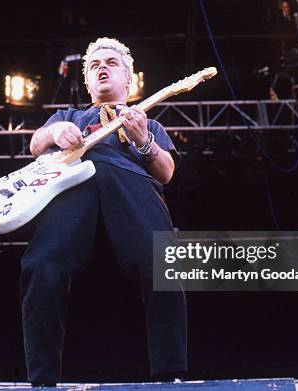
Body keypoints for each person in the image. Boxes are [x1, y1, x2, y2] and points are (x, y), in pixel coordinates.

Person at [21, 37, 187, 387]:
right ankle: (42, 380)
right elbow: (35, 145)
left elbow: (167, 172)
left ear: (129, 79)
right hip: (72, 185)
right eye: (95, 65)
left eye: (111, 62)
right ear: (86, 82)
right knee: (42, 266)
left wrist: (143, 141)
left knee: (163, 261)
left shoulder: (148, 123)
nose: (102, 67)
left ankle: (170, 376)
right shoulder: (68, 115)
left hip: (130, 183)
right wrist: (54, 131)